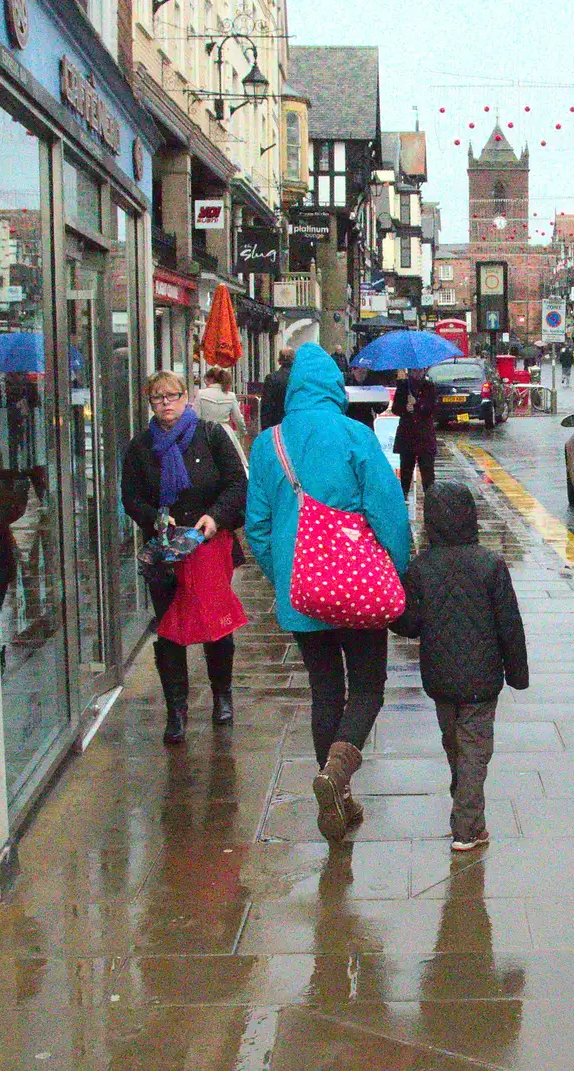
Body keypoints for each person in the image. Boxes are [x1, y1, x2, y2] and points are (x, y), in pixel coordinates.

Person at [245, 345, 411, 840]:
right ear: (333, 388)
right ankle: (336, 777)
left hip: (301, 594)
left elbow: (257, 528)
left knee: (325, 692)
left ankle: (334, 795)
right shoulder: (355, 435)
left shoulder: (267, 443)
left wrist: (285, 578)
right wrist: (393, 574)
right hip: (359, 588)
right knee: (366, 688)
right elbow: (390, 515)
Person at [391, 482, 528, 851]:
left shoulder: (422, 568)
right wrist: (517, 674)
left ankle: (466, 809)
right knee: (475, 750)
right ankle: (467, 829)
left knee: (455, 744)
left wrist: (389, 610)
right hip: (482, 680)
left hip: (440, 677)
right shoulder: (491, 565)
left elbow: (409, 624)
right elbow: (509, 625)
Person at [122, 370, 249, 743]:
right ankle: (175, 709)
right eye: (157, 399)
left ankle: (221, 695)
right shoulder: (141, 447)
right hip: (165, 553)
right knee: (170, 630)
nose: (165, 405)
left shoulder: (211, 436)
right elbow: (131, 496)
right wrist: (153, 516)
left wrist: (217, 515)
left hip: (208, 546)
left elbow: (237, 484)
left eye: (172, 396)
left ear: (186, 397)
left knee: (215, 623)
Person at [392, 368, 438, 496]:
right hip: (407, 436)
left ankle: (431, 504)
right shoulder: (403, 386)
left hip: (425, 437)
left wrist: (417, 404)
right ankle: (402, 503)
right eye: (414, 371)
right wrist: (405, 407)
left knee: (428, 476)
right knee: (405, 476)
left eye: (420, 371)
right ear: (410, 372)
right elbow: (396, 408)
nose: (417, 374)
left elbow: (433, 408)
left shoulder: (429, 386)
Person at [196, 366, 248, 470]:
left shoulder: (201, 394)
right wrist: (243, 432)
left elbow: (196, 416)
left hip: (206, 431)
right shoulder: (231, 395)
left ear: (211, 379)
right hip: (225, 431)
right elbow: (238, 418)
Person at [259, 346, 295, 431]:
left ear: (279, 361)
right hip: (295, 423)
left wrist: (265, 429)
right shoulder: (300, 378)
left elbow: (266, 406)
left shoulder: (271, 378)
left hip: (276, 424)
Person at [345, 364, 385, 430]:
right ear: (353, 370)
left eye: (364, 372)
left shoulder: (371, 383)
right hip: (350, 421)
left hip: (366, 422)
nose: (362, 375)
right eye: (360, 371)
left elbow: (377, 409)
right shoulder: (347, 383)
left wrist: (383, 404)